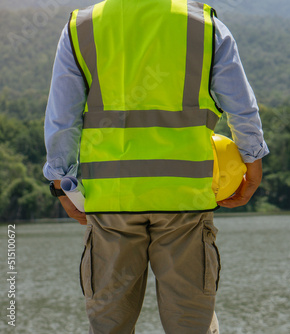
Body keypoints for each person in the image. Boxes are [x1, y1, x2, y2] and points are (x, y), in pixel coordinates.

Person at [43, 0, 269, 333]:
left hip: (111, 203)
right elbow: (241, 105)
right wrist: (252, 161)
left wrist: (61, 182)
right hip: (185, 200)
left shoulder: (81, 28)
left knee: (109, 326)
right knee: (192, 325)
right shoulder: (204, 26)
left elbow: (62, 118)